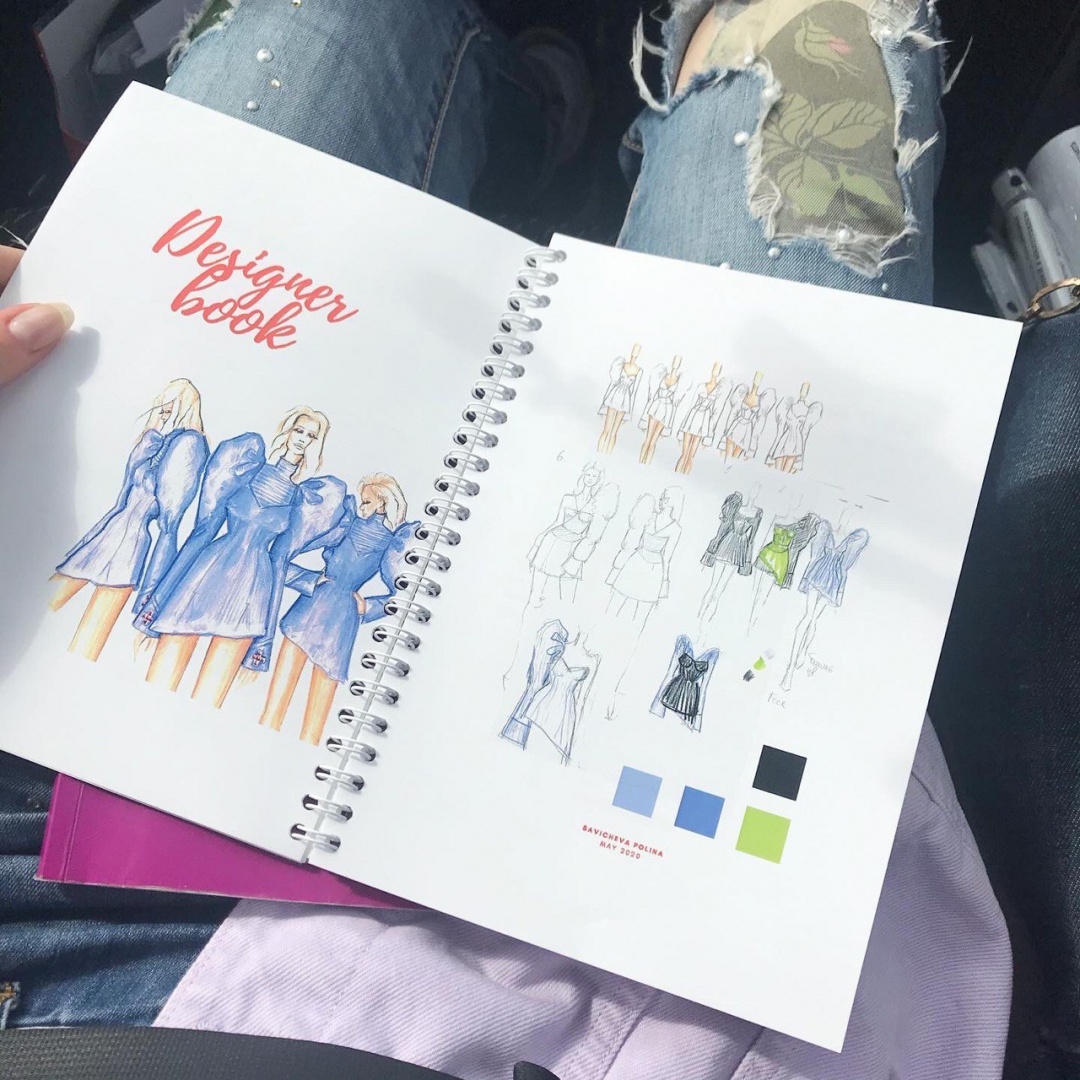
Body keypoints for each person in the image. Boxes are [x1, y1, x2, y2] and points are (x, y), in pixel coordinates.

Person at [2, 1, 1078, 1076]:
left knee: (323, 20)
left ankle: (518, 114)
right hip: (617, 949)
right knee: (813, 43)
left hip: (39, 739)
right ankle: (593, 84)